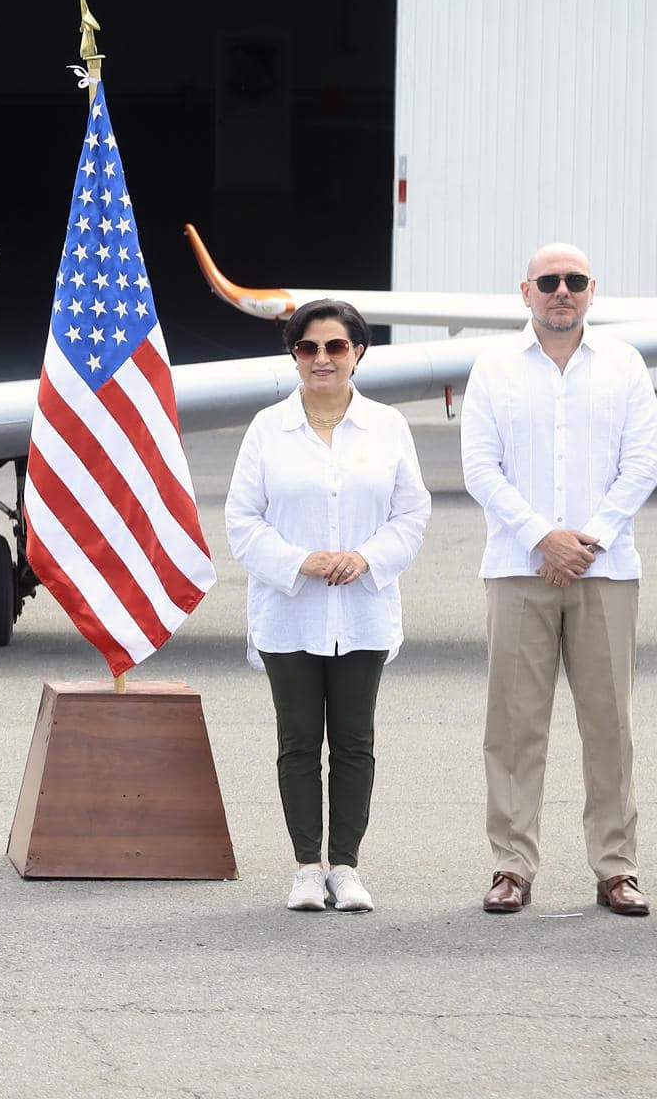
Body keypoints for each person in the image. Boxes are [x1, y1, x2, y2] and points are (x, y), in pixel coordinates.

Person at [462, 243, 657, 917]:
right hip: (519, 571)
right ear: (526, 292)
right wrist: (544, 537)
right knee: (514, 727)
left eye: (574, 281)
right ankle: (512, 865)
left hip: (607, 572)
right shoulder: (493, 368)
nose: (562, 291)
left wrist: (586, 541)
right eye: (549, 281)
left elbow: (642, 465)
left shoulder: (626, 366)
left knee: (610, 725)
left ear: (592, 290)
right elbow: (481, 469)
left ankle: (616, 868)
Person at [224, 299, 431, 913]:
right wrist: (301, 561)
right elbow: (241, 520)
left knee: (353, 742)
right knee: (296, 741)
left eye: (335, 347)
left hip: (362, 610)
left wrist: (366, 557)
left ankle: (346, 866)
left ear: (358, 353)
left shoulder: (388, 426)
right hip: (290, 612)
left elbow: (412, 513)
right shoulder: (267, 428)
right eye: (308, 347)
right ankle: (306, 868)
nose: (322, 359)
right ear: (293, 355)